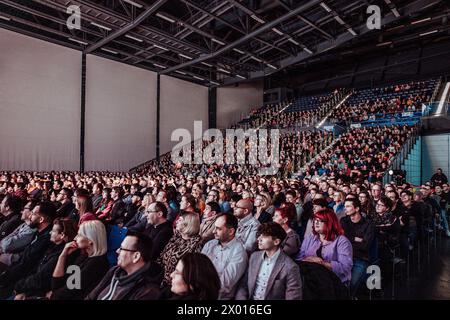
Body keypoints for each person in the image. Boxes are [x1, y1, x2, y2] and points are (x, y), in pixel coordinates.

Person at [0, 201, 56, 298]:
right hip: (16, 277)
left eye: (33, 213)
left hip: (21, 285)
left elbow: (27, 265)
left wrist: (5, 277)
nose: (30, 216)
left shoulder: (46, 240)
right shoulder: (39, 233)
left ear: (41, 219)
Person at [13, 218, 78, 300]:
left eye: (53, 231)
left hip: (36, 292)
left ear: (62, 235)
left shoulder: (60, 254)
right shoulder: (53, 247)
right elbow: (37, 268)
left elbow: (41, 278)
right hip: (29, 288)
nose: (50, 232)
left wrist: (19, 286)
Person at [236, 222, 302, 300]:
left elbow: (293, 297)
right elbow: (244, 285)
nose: (259, 239)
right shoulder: (254, 257)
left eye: (264, 236)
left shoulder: (290, 267)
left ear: (276, 242)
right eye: (259, 235)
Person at [87, 232, 163, 300]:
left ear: (136, 256)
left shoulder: (148, 292)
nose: (117, 251)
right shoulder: (115, 271)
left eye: (122, 248)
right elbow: (91, 296)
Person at [50, 220, 109, 300]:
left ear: (90, 240)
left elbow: (68, 291)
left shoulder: (96, 264)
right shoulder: (84, 257)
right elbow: (57, 284)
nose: (75, 238)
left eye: (79, 235)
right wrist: (62, 256)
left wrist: (52, 296)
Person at [296, 208, 353, 283]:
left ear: (330, 223)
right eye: (315, 220)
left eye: (320, 221)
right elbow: (299, 258)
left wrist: (322, 263)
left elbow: (345, 268)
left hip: (334, 281)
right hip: (310, 278)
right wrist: (309, 259)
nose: (316, 223)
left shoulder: (342, 241)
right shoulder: (310, 238)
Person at [201, 213, 248, 300]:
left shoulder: (239, 252)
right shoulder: (210, 244)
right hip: (199, 291)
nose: (213, 231)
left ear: (231, 231)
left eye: (218, 229)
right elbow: (197, 268)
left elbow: (224, 285)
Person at [340, 198, 375, 297]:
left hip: (360, 258)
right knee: (335, 283)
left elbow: (365, 246)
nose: (345, 209)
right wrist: (355, 239)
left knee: (351, 286)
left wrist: (347, 240)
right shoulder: (344, 221)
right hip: (343, 257)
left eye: (348, 206)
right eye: (344, 206)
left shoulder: (368, 224)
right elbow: (340, 239)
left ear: (357, 208)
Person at [157, 211, 203, 286]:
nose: (177, 221)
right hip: (162, 278)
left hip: (178, 284)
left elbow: (190, 272)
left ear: (188, 224)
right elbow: (162, 256)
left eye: (180, 220)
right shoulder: (176, 237)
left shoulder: (195, 244)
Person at [0, 200, 37, 267]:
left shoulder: (31, 230)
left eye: (24, 208)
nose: (21, 211)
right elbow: (8, 237)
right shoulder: (24, 224)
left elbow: (6, 245)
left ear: (32, 212)